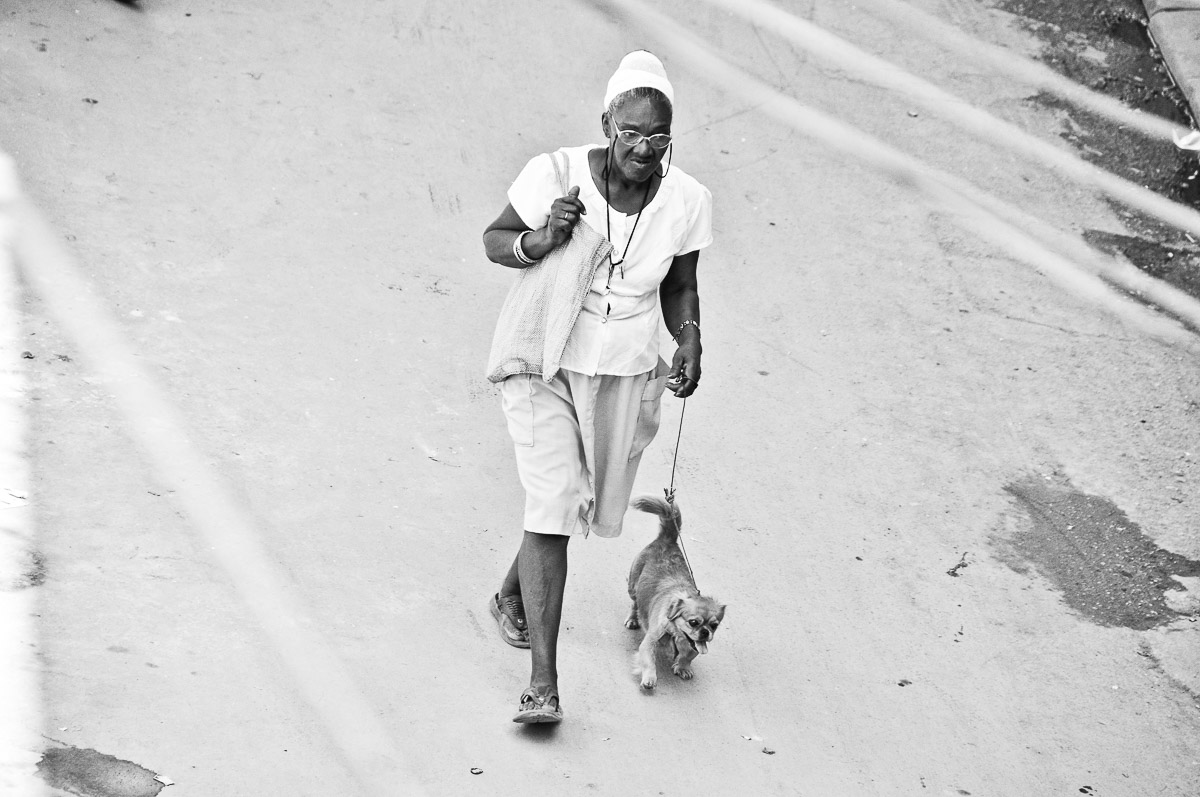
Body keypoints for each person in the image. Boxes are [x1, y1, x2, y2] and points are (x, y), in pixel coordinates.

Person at [481, 50, 713, 724]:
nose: (643, 149)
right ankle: (543, 685)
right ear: (607, 122)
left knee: (574, 500)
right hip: (544, 360)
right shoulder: (553, 173)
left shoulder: (687, 202)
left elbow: (681, 282)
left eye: (658, 138)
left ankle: (511, 593)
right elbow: (495, 240)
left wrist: (690, 337)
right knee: (553, 496)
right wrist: (540, 238)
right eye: (631, 133)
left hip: (623, 370)